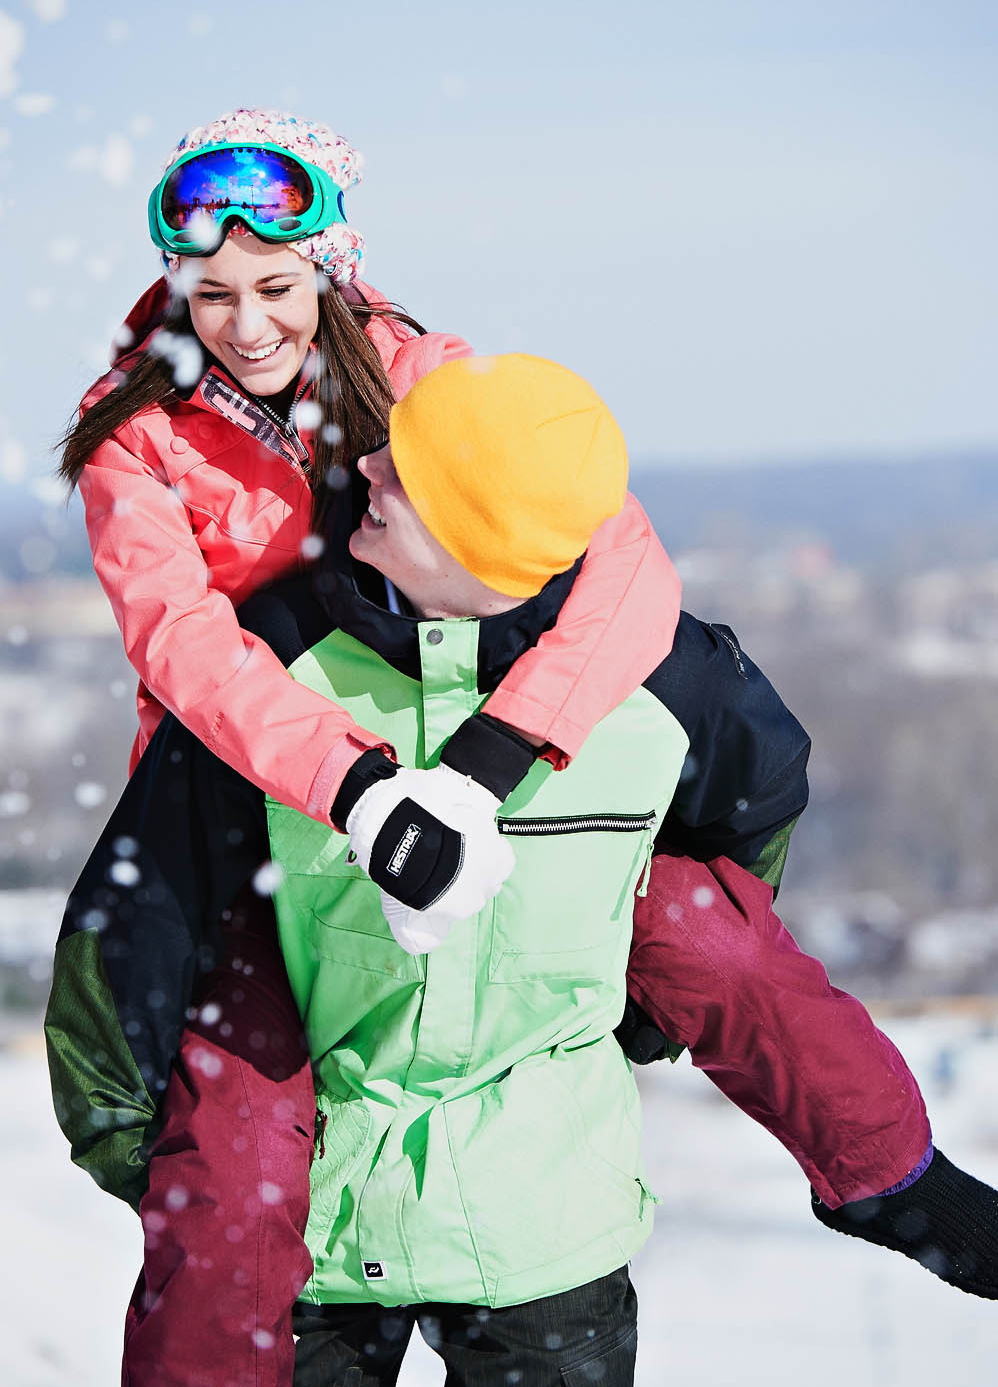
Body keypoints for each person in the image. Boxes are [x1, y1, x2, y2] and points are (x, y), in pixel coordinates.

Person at [51, 357, 998, 1384]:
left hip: (544, 1228)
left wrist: (650, 981)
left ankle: (900, 1187)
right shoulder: (275, 660)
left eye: (402, 471)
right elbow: (144, 902)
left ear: (478, 537)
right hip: (311, 1229)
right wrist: (141, 1149)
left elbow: (750, 814)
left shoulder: (669, 684)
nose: (362, 466)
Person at [48, 107, 685, 1387]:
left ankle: (888, 1173)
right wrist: (353, 786)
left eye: (275, 284)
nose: (246, 321)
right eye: (210, 289)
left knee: (712, 916)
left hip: (457, 770)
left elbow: (626, 564)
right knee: (232, 1177)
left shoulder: (420, 374)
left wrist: (491, 766)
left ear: (330, 266)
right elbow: (183, 644)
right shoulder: (140, 431)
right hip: (249, 814)